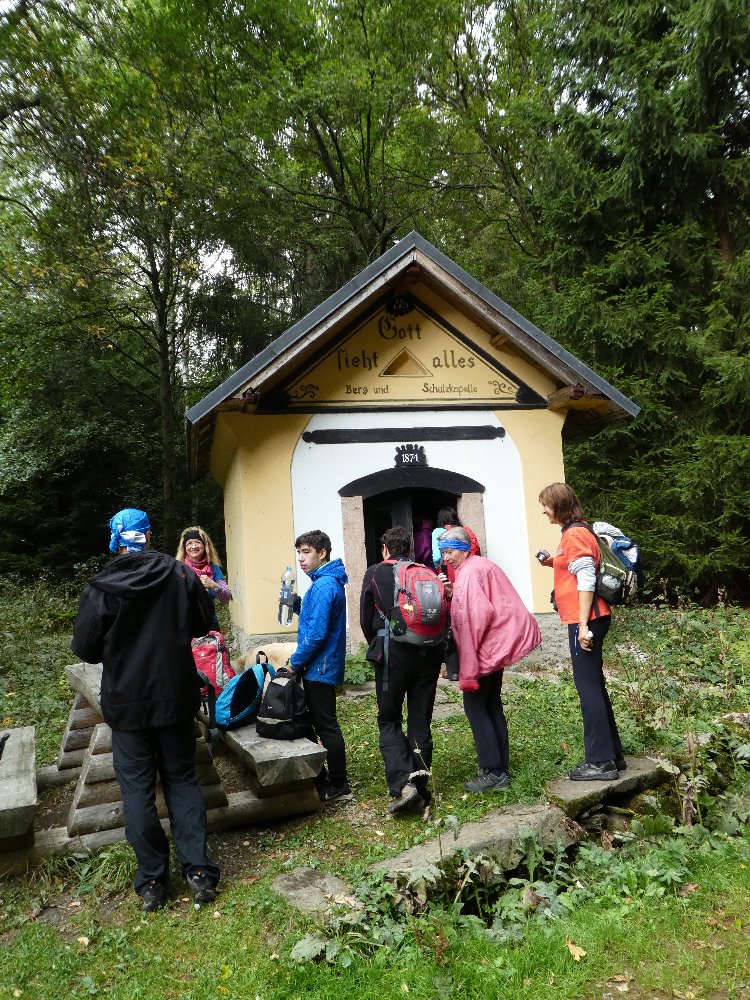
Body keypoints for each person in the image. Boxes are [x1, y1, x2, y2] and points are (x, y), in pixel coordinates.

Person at [71, 508, 220, 912]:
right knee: (182, 780)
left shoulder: (103, 586)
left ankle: (153, 880)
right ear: (149, 536)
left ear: (115, 540)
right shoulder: (181, 575)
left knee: (137, 790)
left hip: (127, 704)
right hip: (175, 697)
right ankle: (198, 872)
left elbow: (84, 647)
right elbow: (203, 623)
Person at [439, 527, 541, 793]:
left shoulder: (470, 572)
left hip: (486, 648)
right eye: (442, 552)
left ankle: (493, 772)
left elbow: (475, 616)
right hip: (498, 645)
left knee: (475, 708)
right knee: (492, 704)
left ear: (463, 550)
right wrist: (453, 594)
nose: (445, 557)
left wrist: (469, 662)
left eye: (449, 551)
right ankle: (501, 769)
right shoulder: (481, 565)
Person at [538, 482, 626, 781]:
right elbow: (576, 567)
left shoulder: (575, 534)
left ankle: (600, 763)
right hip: (587, 618)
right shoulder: (576, 532)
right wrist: (552, 561)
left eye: (547, 505)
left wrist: (584, 626)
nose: (544, 511)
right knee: (595, 686)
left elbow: (586, 579)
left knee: (588, 689)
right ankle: (613, 755)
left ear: (559, 506)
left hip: (586, 620)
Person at [360, 525, 444, 815]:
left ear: (385, 548)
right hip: (429, 652)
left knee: (389, 719)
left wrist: (378, 644)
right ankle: (421, 785)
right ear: (409, 549)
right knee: (420, 720)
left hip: (392, 654)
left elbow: (364, 618)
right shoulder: (425, 571)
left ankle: (402, 786)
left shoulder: (375, 572)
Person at [286, 529, 351, 803]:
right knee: (319, 722)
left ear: (322, 553)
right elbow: (315, 619)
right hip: (318, 665)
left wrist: (294, 664)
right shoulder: (323, 582)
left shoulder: (324, 585)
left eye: (306, 552)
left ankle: (338, 784)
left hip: (319, 667)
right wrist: (297, 603)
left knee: (326, 726)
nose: (301, 559)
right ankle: (326, 777)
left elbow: (316, 634)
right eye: (299, 552)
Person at [176, 525, 232, 630]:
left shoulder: (214, 569)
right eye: (189, 543)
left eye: (198, 542)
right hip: (185, 624)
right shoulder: (178, 569)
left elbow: (227, 597)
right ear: (184, 547)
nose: (193, 546)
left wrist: (214, 585)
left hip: (209, 623)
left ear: (205, 545)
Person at [431, 507, 480, 580]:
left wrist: (438, 568)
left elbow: (436, 557)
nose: (445, 557)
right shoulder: (465, 531)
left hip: (449, 570)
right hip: (471, 569)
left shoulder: (438, 531)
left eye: (449, 552)